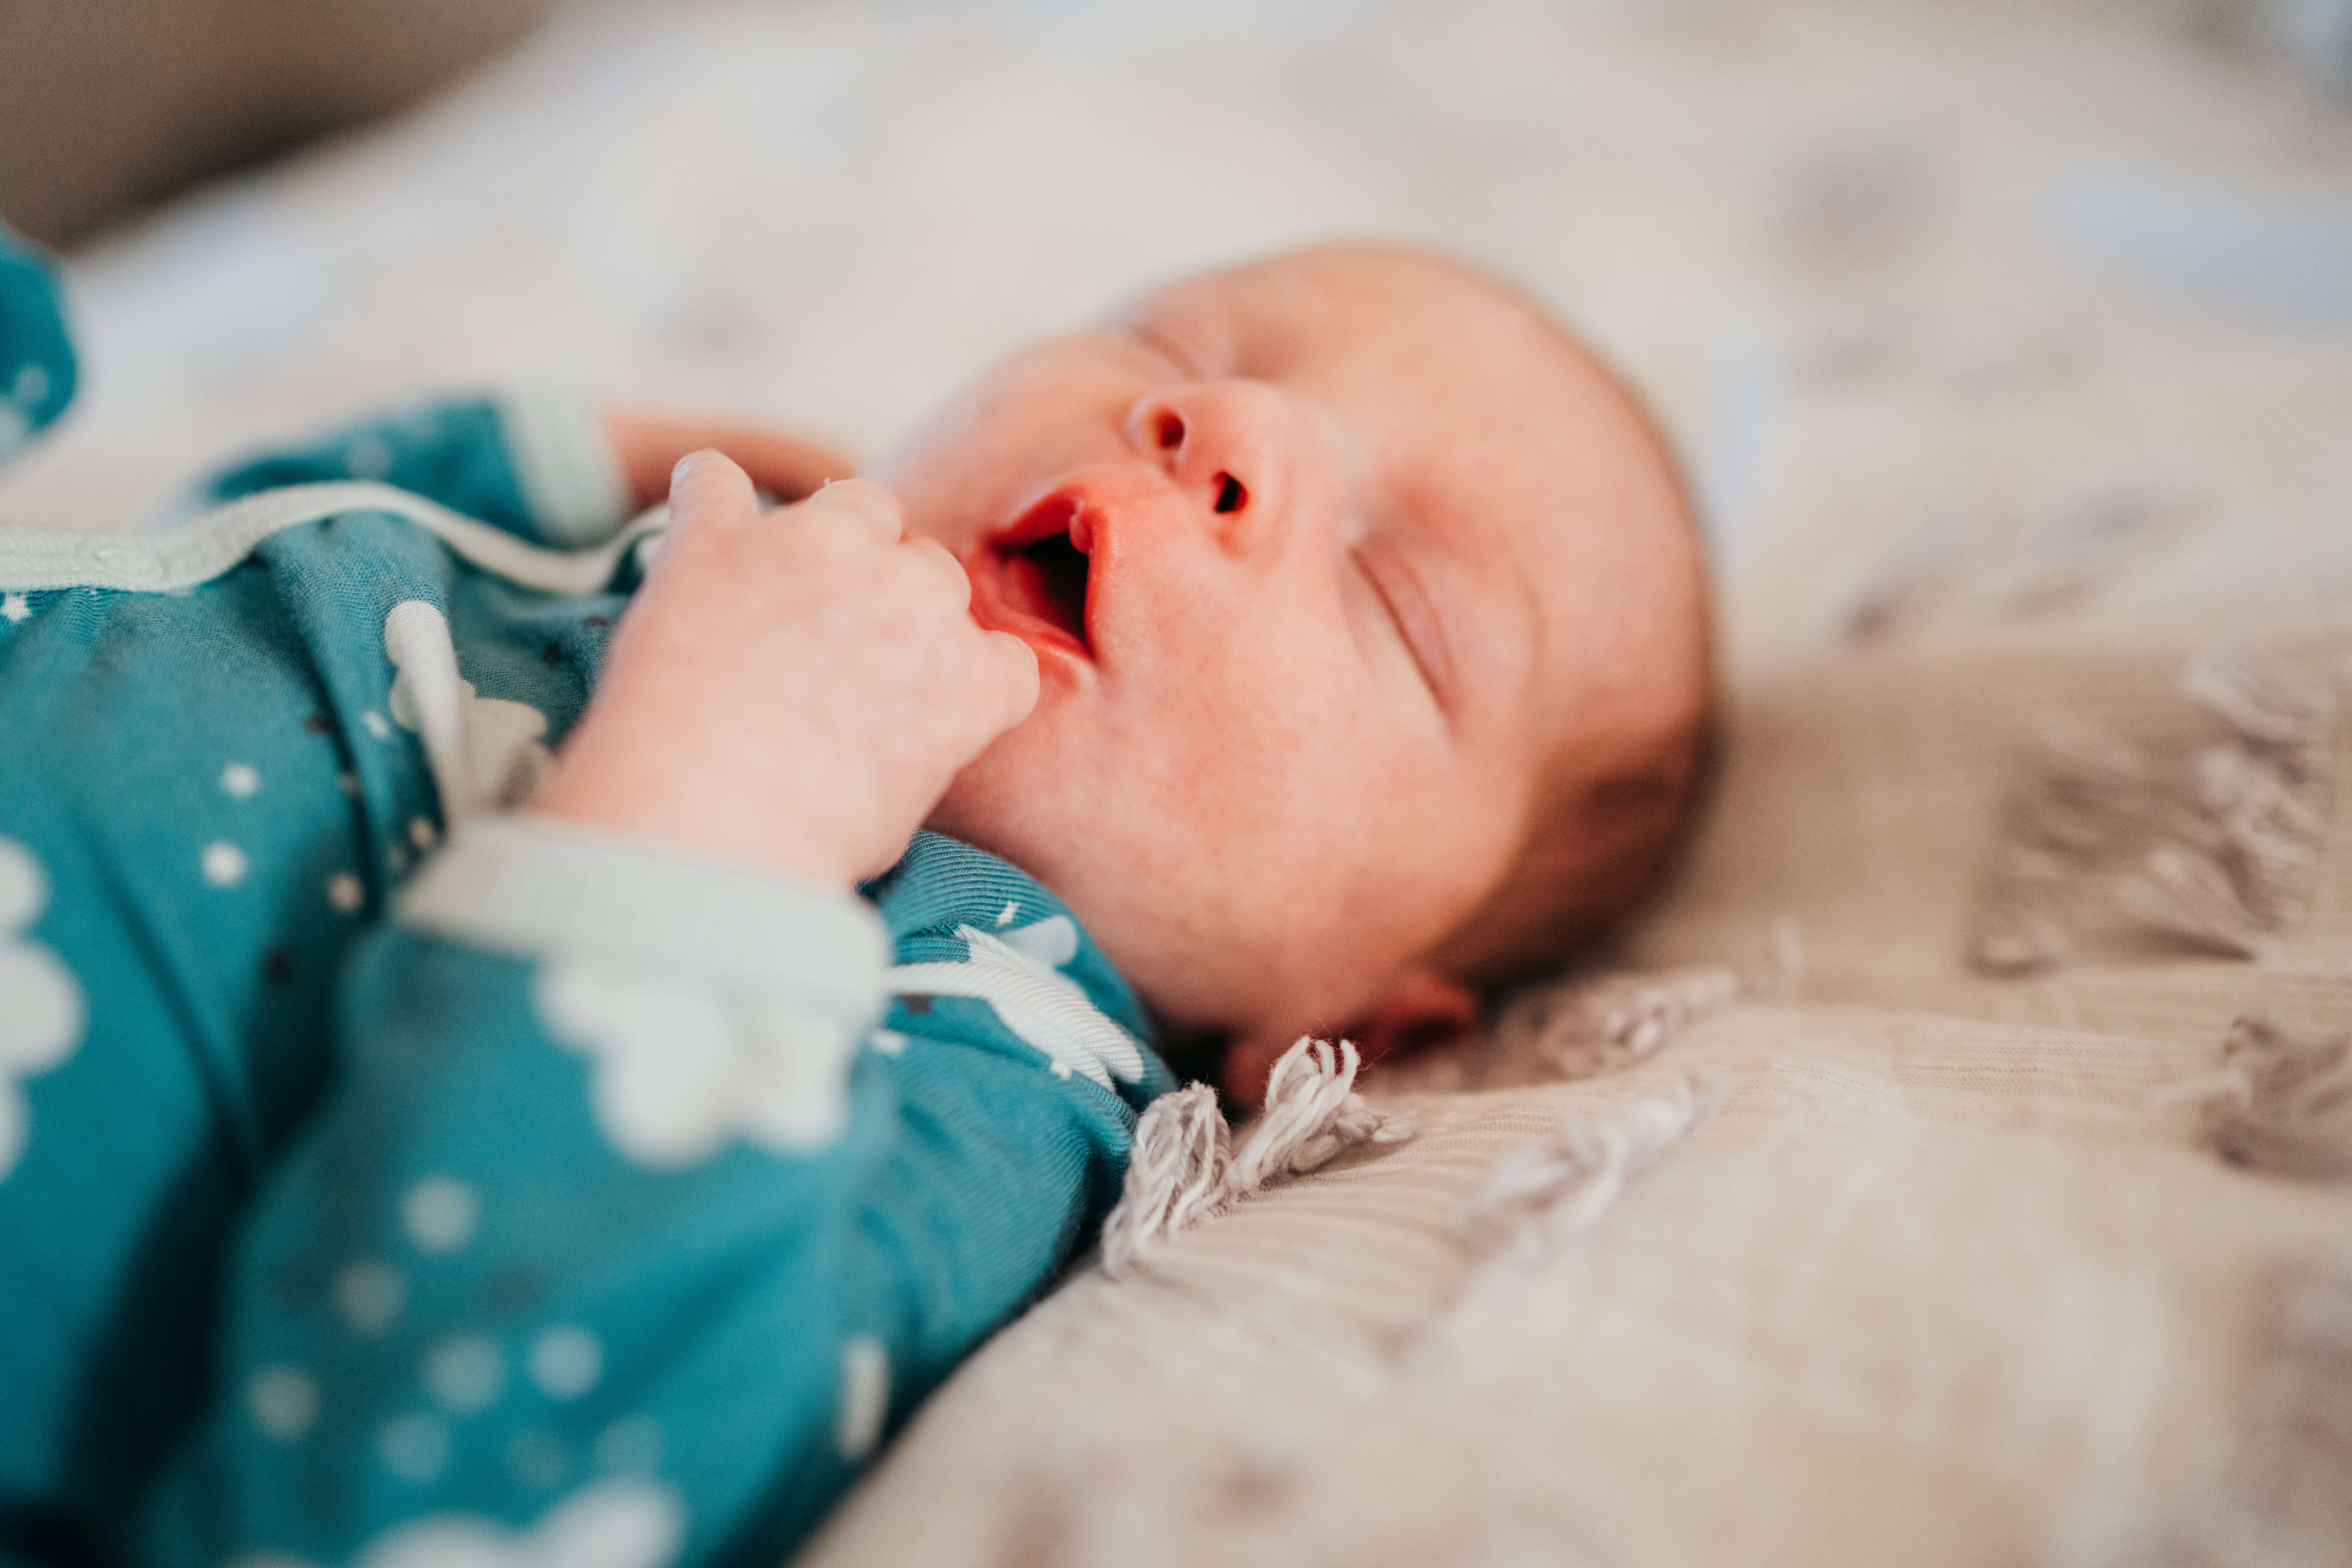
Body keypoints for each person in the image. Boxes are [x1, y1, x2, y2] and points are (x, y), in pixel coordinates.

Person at [0, 231, 1709, 1567]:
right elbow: (223, 574)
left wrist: (719, 806)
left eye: (1395, 601)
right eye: (1176, 345)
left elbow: (490, 1467)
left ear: (1345, 1020)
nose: (1226, 421)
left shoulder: (988, 1040)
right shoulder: (692, 580)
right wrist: (570, 460)